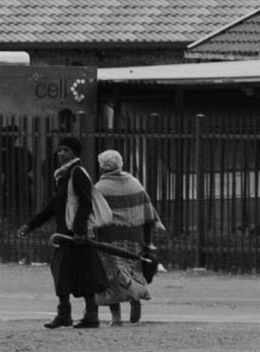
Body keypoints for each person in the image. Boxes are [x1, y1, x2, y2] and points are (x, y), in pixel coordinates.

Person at [21, 134, 108, 328]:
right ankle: (66, 314)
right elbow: (53, 206)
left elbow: (85, 203)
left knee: (83, 275)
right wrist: (30, 225)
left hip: (76, 236)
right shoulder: (63, 176)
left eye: (66, 150)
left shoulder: (77, 173)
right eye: (59, 150)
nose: (61, 153)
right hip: (65, 234)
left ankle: (90, 316)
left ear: (75, 153)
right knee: (62, 273)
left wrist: (78, 231)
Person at [88, 148, 160, 325]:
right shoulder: (135, 184)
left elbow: (94, 215)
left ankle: (116, 318)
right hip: (135, 236)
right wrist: (147, 240)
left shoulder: (99, 189)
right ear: (121, 164)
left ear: (102, 167)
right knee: (134, 270)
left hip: (109, 237)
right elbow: (148, 213)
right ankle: (135, 300)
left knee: (113, 275)